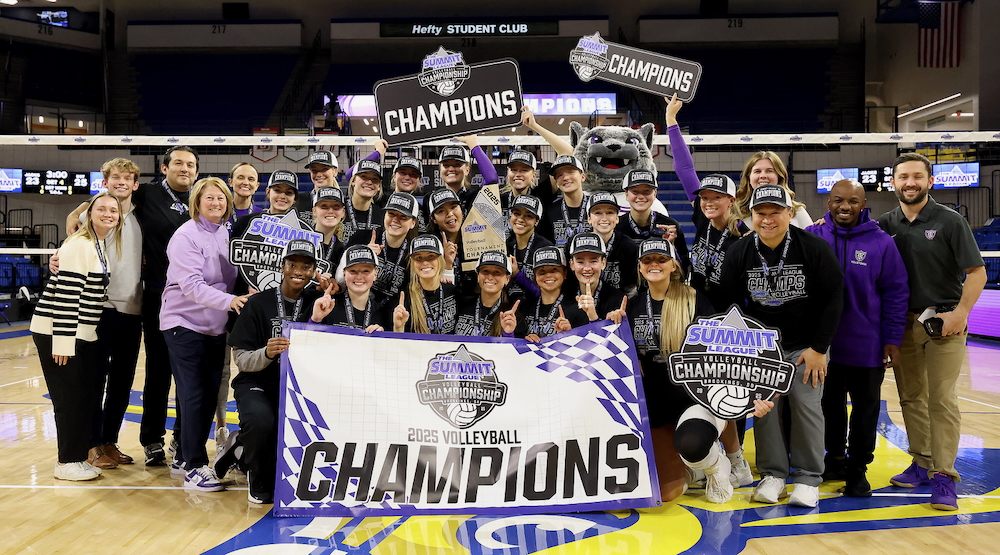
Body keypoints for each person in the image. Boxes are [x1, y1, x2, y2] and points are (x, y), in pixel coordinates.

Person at [719, 185, 844, 508]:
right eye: (760, 213)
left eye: (775, 212)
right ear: (750, 216)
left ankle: (807, 478)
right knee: (765, 412)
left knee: (806, 408)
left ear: (790, 213)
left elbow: (833, 298)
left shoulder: (813, 248)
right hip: (762, 349)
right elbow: (730, 306)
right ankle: (773, 475)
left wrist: (819, 349)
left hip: (806, 347)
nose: (767, 219)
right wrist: (745, 350)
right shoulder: (739, 252)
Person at [625, 238, 774, 503]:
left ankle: (720, 466)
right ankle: (697, 470)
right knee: (666, 493)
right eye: (647, 260)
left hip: (695, 399)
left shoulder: (694, 300)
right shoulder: (632, 306)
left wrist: (750, 395)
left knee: (691, 445)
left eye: (661, 259)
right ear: (639, 266)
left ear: (673, 265)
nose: (654, 264)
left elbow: (724, 353)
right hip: (656, 406)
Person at [878, 152, 986, 511]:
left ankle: (944, 475)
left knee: (941, 399)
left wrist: (961, 313)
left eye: (917, 177)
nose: (910, 183)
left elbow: (977, 272)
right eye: (903, 177)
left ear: (930, 181)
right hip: (903, 323)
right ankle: (922, 462)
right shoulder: (885, 224)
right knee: (910, 397)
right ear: (893, 182)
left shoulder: (950, 221)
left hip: (944, 323)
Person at [806, 178, 909, 497]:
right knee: (828, 407)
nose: (845, 206)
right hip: (823, 347)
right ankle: (834, 459)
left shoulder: (881, 242)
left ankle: (858, 469)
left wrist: (892, 338)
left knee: (865, 411)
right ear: (828, 203)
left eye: (853, 201)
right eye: (838, 200)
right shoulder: (813, 236)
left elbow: (895, 293)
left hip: (867, 345)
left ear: (864, 205)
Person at [160, 177, 249, 492]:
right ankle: (194, 467)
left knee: (206, 394)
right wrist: (231, 301)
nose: (216, 203)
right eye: (209, 198)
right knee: (195, 393)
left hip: (214, 326)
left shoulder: (224, 233)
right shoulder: (185, 236)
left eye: (221, 198)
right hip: (183, 323)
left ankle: (184, 457)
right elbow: (192, 286)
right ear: (196, 202)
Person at [221, 239, 326, 504]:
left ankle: (241, 450)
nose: (298, 272)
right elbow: (241, 359)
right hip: (257, 382)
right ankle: (256, 476)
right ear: (282, 267)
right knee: (262, 421)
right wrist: (266, 353)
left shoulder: (319, 302)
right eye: (292, 265)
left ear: (314, 271)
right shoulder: (258, 303)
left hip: (299, 384)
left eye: (306, 267)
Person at [33, 193, 123, 481]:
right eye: (101, 209)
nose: (108, 214)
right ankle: (66, 462)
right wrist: (63, 342)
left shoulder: (99, 244)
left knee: (82, 397)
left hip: (81, 333)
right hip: (58, 331)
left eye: (113, 210)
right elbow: (67, 297)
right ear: (89, 215)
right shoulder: (78, 244)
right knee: (69, 398)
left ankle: (77, 457)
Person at [348, 192, 419, 299]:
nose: (395, 219)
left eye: (403, 216)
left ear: (413, 223)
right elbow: (340, 277)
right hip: (358, 303)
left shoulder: (414, 253)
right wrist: (362, 256)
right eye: (391, 213)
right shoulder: (362, 237)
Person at [616, 169, 690, 272]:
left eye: (647, 191)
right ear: (627, 195)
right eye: (635, 191)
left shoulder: (670, 226)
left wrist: (671, 247)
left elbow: (684, 270)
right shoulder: (617, 226)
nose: (641, 196)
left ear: (654, 194)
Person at [312, 244, 391, 332]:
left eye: (366, 271)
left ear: (375, 274)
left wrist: (381, 337)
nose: (359, 277)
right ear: (344, 274)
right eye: (353, 271)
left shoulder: (383, 313)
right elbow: (305, 336)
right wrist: (315, 320)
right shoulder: (326, 305)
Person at [393, 234, 459, 334]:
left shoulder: (453, 292)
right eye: (418, 257)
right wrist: (398, 328)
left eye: (431, 256)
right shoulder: (402, 300)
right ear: (412, 263)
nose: (425, 262)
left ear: (440, 259)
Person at [520, 246, 588, 342]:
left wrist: (570, 334)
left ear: (564, 274)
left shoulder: (577, 310)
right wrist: (524, 340)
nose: (548, 275)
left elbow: (587, 345)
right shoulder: (524, 308)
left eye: (554, 270)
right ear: (535, 276)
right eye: (542, 271)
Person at [734, 151, 813, 229]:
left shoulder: (797, 210)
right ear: (748, 177)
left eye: (769, 171)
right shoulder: (736, 211)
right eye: (757, 171)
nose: (763, 176)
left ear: (779, 176)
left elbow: (811, 235)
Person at [454, 251, 524, 338]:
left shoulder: (512, 316)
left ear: (507, 279)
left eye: (497, 272)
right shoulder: (461, 304)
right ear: (478, 276)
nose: (490, 277)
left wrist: (508, 334)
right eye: (485, 271)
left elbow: (516, 346)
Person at [585, 191, 639, 295]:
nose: (604, 218)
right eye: (598, 213)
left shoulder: (629, 247)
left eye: (610, 212)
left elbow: (631, 288)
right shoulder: (576, 243)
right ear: (589, 219)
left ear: (617, 218)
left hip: (618, 301)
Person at [565, 232, 625, 322]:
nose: (587, 268)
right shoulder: (564, 297)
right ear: (572, 265)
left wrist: (594, 317)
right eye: (580, 262)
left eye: (593, 261)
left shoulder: (617, 300)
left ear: (603, 263)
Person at [425, 188, 472, 293]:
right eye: (441, 211)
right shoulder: (429, 246)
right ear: (433, 219)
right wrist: (446, 265)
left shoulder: (476, 237)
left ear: (462, 210)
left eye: (453, 207)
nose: (450, 214)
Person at [506, 195, 553, 302]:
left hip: (537, 307)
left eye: (528, 216)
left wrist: (517, 274)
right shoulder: (505, 245)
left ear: (537, 221)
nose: (520, 219)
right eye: (516, 213)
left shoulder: (546, 248)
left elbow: (546, 293)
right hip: (508, 308)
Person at [436, 135, 499, 213]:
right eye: (446, 165)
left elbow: (491, 179)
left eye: (457, 165)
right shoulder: (431, 199)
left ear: (467, 170)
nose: (451, 169)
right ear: (440, 170)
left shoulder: (474, 197)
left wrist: (472, 143)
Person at [540, 155, 591, 246]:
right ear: (556, 183)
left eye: (571, 172)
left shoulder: (596, 206)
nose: (566, 178)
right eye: (560, 175)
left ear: (583, 177)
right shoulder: (549, 211)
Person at [342, 159, 385, 243]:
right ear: (353, 181)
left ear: (379, 187)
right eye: (364, 176)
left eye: (375, 179)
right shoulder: (337, 209)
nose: (369, 182)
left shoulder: (382, 216)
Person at [298, 149, 339, 226]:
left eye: (324, 169)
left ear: (335, 171)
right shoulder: (299, 200)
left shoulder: (344, 203)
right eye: (314, 170)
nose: (319, 174)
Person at [312, 186, 346, 277]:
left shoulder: (340, 250)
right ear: (314, 211)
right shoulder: (302, 238)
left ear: (343, 212)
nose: (330, 211)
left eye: (336, 207)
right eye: (324, 206)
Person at [500, 150, 540, 225]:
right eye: (514, 170)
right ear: (508, 174)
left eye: (524, 170)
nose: (518, 174)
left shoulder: (540, 198)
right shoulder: (498, 199)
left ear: (534, 176)